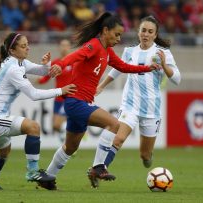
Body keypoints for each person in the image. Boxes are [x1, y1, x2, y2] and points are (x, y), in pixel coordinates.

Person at [44, 12, 160, 190]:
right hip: (76, 102)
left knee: (71, 147)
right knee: (114, 124)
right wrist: (61, 64)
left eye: (121, 35)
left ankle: (47, 178)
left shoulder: (107, 51)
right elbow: (76, 55)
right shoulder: (94, 45)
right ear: (105, 30)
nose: (119, 38)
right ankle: (99, 167)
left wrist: (147, 68)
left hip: (80, 103)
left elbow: (123, 66)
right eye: (116, 34)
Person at [87, 15, 181, 188]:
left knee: (145, 156)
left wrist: (165, 66)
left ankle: (146, 158)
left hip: (152, 109)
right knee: (118, 139)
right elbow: (117, 69)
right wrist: (101, 86)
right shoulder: (129, 51)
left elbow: (177, 79)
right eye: (143, 30)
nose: (146, 34)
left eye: (150, 31)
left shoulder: (164, 53)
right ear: (138, 32)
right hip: (130, 104)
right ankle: (98, 169)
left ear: (155, 34)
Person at [0, 32, 77, 190]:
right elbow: (34, 94)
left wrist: (46, 64)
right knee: (33, 127)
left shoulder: (18, 62)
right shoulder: (13, 69)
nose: (28, 48)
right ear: (12, 50)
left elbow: (43, 71)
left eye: (27, 44)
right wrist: (61, 90)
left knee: (3, 151)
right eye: (23, 46)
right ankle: (32, 171)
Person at [37, 39, 73, 143]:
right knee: (55, 126)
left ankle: (69, 143)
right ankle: (77, 133)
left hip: (69, 97)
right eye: (62, 45)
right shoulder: (56, 63)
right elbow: (46, 78)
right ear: (59, 47)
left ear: (69, 47)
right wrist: (39, 81)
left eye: (66, 45)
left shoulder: (74, 62)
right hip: (58, 97)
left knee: (58, 123)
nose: (64, 48)